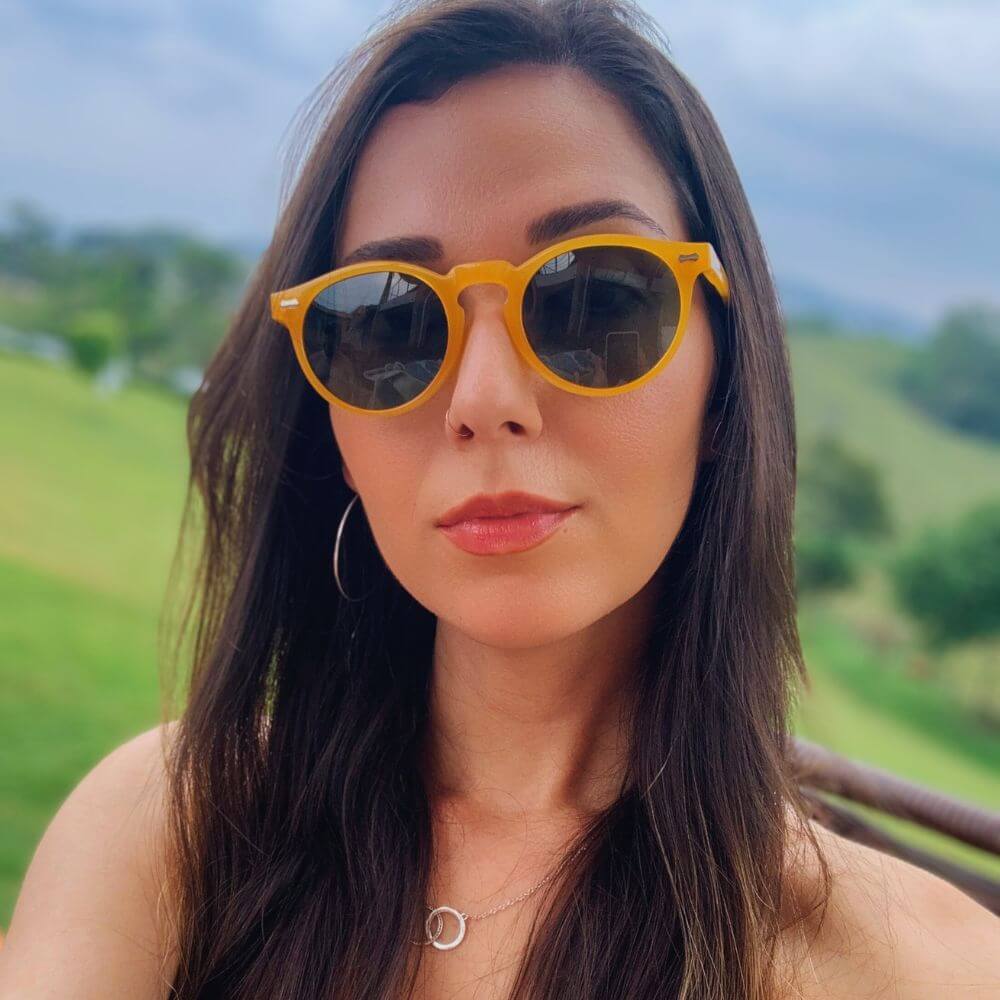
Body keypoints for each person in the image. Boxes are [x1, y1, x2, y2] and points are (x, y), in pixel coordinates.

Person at [1, 1, 998, 997]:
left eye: (594, 301)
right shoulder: (166, 835)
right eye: (389, 325)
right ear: (334, 435)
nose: (482, 400)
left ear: (725, 376)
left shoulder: (917, 969)